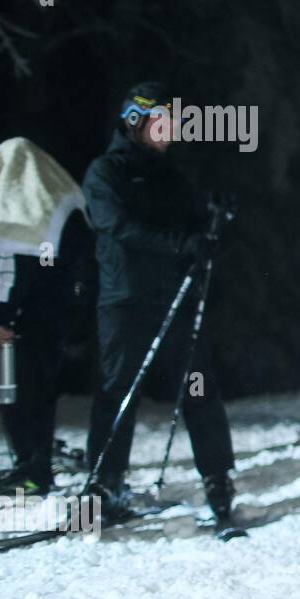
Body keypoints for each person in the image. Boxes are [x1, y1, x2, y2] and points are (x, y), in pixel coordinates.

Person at [81, 82, 238, 523]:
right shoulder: (104, 173)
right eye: (163, 124)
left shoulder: (170, 175)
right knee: (118, 392)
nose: (171, 132)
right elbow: (119, 227)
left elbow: (193, 223)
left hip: (176, 297)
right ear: (136, 122)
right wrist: (181, 243)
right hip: (125, 299)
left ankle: (218, 479)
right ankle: (105, 484)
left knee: (199, 387)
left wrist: (213, 219)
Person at [0, 138, 89, 496]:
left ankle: (31, 471)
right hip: (52, 317)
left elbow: (8, 274)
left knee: (15, 391)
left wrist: (1, 318)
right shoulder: (58, 203)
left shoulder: (14, 215)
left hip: (19, 322)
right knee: (37, 390)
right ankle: (33, 467)